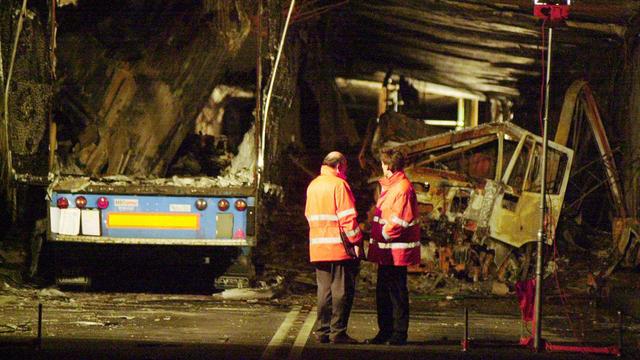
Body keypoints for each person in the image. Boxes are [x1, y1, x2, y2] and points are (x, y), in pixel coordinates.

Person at [305, 151, 363, 344]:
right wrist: (356, 242)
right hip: (339, 247)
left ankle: (322, 331)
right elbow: (348, 219)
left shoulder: (313, 185)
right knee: (341, 291)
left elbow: (308, 215)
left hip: (318, 247)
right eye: (344, 168)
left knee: (324, 290)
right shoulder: (339, 185)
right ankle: (338, 332)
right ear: (339, 166)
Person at [366, 148, 420, 346]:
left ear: (388, 166)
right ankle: (385, 331)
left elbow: (398, 222)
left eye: (382, 163)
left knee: (396, 292)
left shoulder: (402, 188)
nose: (380, 166)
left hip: (395, 251)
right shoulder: (393, 186)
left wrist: (382, 235)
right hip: (387, 251)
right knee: (384, 292)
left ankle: (398, 333)